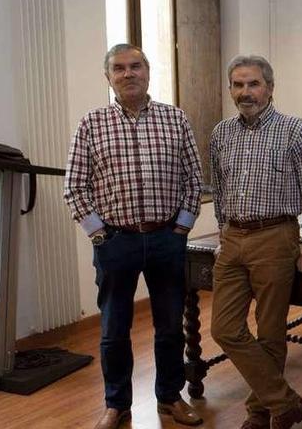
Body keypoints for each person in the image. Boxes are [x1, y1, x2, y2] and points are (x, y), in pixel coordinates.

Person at [63, 44, 204, 429]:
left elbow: (194, 179)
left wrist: (181, 229)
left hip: (166, 239)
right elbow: (74, 187)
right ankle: (117, 405)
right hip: (115, 242)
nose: (129, 74)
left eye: (136, 66)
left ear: (148, 71)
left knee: (171, 326)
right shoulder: (91, 124)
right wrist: (98, 236)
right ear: (108, 77)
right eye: (119, 68)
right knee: (113, 329)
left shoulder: (176, 120)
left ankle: (170, 398)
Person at [209, 55, 302, 429]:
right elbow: (220, 190)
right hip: (233, 237)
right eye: (238, 85)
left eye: (254, 84)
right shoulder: (220, 133)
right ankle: (285, 402)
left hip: (276, 236)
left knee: (270, 330)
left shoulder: (294, 130)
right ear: (230, 89)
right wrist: (221, 232)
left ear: (270, 88)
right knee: (224, 329)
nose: (246, 92)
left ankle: (260, 413)